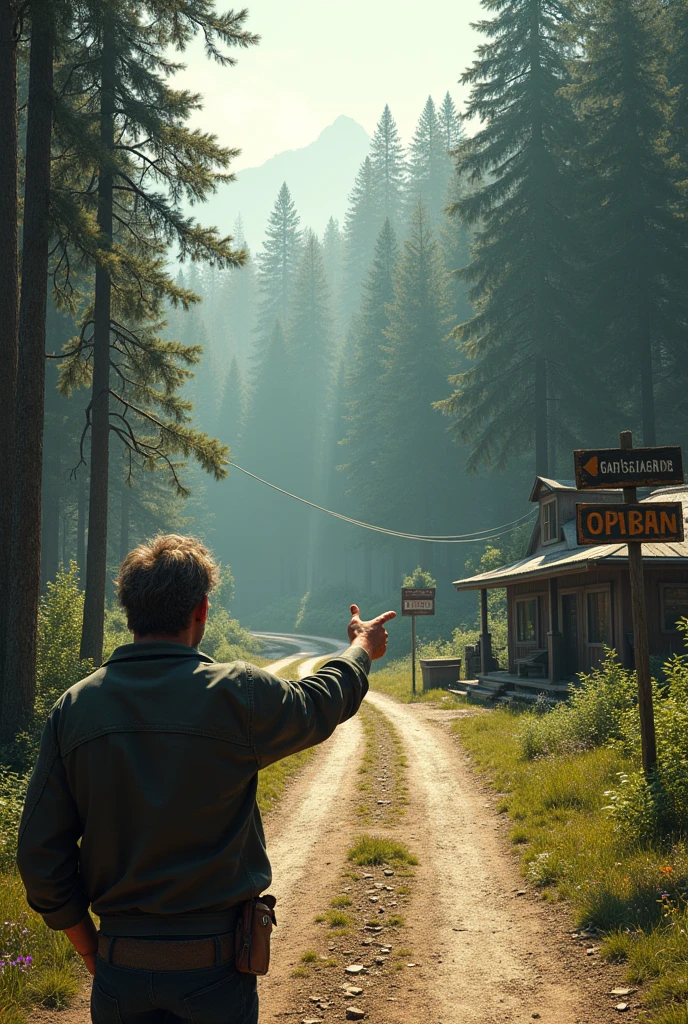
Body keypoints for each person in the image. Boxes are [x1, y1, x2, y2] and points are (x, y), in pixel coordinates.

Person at [17, 534, 395, 1024]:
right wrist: (360, 648)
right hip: (216, 972)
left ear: (130, 611)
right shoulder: (236, 693)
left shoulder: (74, 708)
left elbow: (39, 857)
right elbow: (319, 702)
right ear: (202, 609)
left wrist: (91, 950)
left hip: (119, 969)